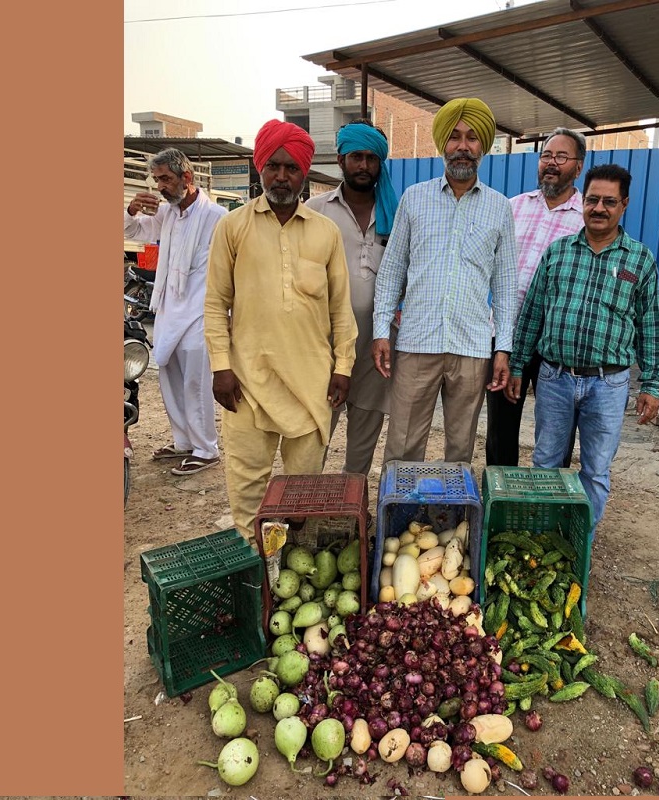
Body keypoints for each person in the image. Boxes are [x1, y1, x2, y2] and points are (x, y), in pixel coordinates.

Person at [204, 120, 358, 540]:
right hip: (246, 386)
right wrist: (221, 366)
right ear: (260, 169)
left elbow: (341, 310)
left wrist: (343, 366)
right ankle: (254, 581)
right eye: (273, 166)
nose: (282, 176)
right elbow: (216, 305)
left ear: (304, 173)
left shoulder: (325, 232)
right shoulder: (232, 228)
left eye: (291, 168)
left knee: (301, 497)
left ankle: (289, 575)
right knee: (247, 497)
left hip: (311, 388)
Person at [506, 163, 659, 535]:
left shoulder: (639, 260)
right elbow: (531, 315)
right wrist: (517, 365)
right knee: (545, 463)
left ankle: (580, 542)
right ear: (583, 202)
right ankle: (541, 537)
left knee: (594, 470)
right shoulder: (558, 252)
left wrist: (652, 384)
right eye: (592, 199)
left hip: (607, 386)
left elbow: (652, 326)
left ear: (624, 204)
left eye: (609, 201)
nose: (599, 208)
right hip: (555, 379)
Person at [371, 97, 517, 464]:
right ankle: (399, 515)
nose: (463, 146)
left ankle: (453, 519)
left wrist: (504, 348)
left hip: (471, 346)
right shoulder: (414, 199)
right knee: (403, 445)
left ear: (483, 145)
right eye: (454, 137)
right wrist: (380, 332)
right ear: (442, 144)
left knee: (460, 449)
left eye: (471, 137)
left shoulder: (499, 207)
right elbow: (391, 272)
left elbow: (505, 285)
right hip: (417, 341)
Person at [485, 127, 587, 467]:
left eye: (561, 157)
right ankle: (502, 495)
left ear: (579, 166)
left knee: (555, 430)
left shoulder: (587, 219)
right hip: (506, 336)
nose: (552, 164)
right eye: (546, 156)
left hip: (555, 343)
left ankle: (548, 500)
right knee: (501, 427)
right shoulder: (512, 207)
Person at [124, 147, 226, 476]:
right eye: (157, 181)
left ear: (187, 177)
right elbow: (132, 232)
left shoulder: (216, 217)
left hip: (201, 309)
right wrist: (131, 209)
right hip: (168, 307)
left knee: (196, 381)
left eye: (166, 179)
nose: (161, 187)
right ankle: (184, 442)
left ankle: (206, 448)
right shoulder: (166, 214)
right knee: (168, 373)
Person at [305, 120, 398, 476]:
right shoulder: (315, 210)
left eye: (371, 158)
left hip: (379, 342)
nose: (364, 165)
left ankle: (351, 504)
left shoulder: (398, 211)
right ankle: (304, 504)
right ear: (341, 159)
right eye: (356, 157)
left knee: (365, 432)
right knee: (316, 429)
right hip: (323, 343)